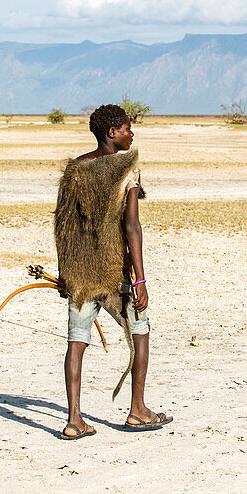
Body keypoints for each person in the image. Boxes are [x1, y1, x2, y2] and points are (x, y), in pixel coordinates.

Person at [53, 103, 172, 440]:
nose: (132, 134)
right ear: (112, 133)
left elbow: (63, 224)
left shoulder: (76, 168)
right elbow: (132, 226)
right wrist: (141, 278)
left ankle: (74, 419)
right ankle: (138, 409)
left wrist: (65, 272)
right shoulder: (127, 170)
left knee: (76, 342)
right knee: (140, 332)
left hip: (81, 271)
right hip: (117, 269)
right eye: (127, 128)